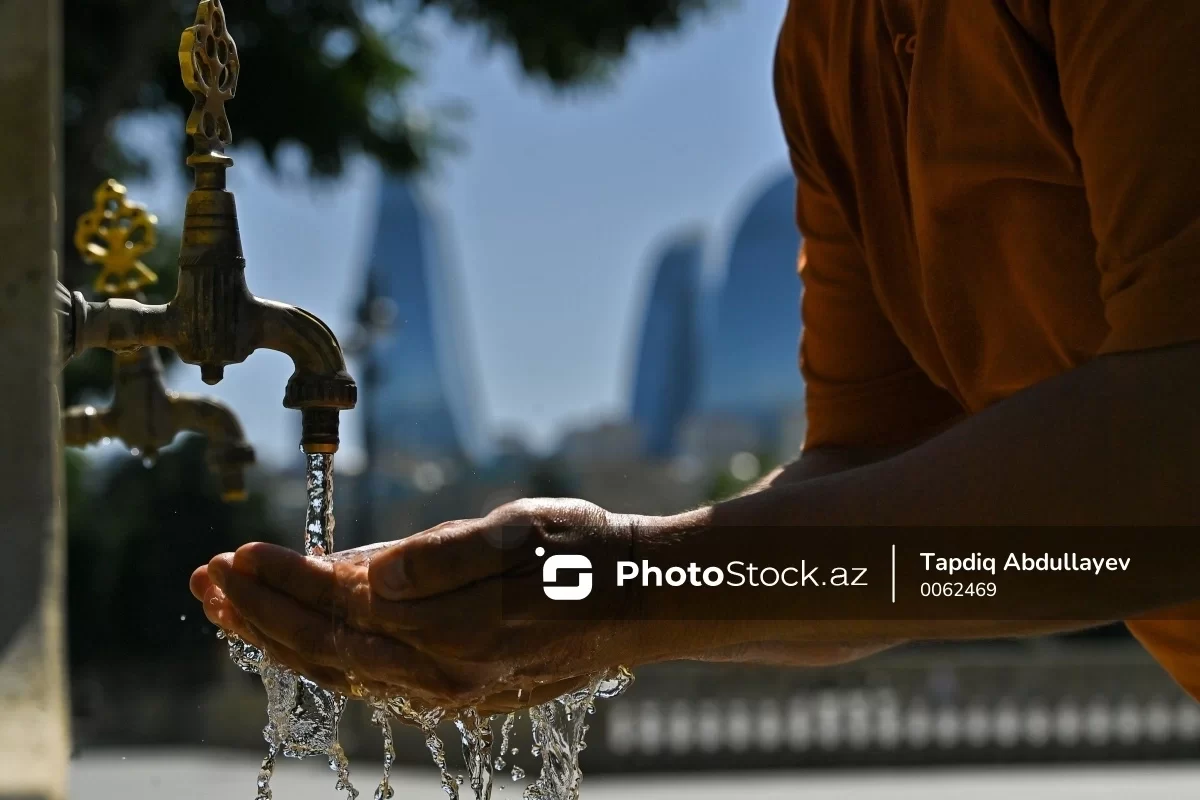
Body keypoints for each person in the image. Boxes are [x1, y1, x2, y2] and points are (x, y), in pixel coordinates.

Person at [192, 0, 1200, 713]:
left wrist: (619, 585)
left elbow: (1177, 460)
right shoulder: (828, 45)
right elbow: (862, 489)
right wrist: (594, 597)